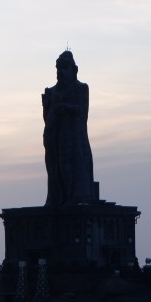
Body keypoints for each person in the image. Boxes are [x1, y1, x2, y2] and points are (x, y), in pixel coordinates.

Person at [43, 51, 96, 206]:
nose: (60, 72)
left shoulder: (81, 88)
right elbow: (48, 120)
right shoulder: (52, 92)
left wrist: (65, 107)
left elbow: (82, 112)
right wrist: (47, 106)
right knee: (56, 172)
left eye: (64, 68)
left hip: (74, 140)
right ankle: (57, 199)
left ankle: (76, 199)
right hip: (55, 139)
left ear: (74, 70)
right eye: (58, 68)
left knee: (72, 171)